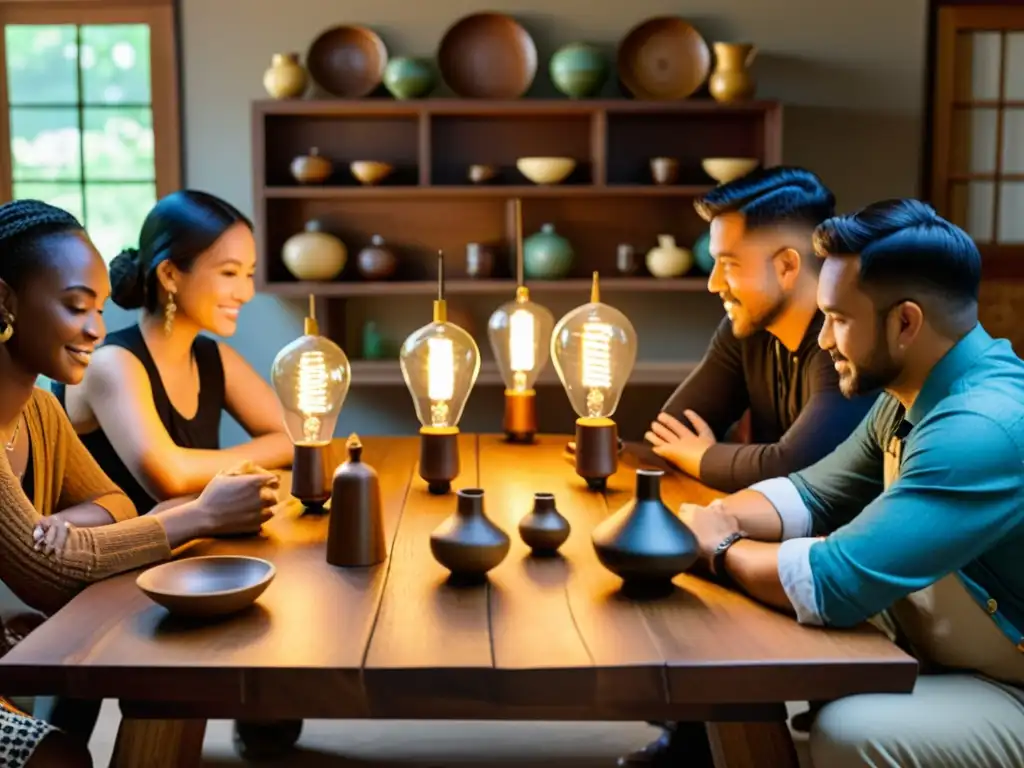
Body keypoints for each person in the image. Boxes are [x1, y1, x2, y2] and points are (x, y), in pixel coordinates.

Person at [678, 199, 1024, 767]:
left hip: (1010, 686)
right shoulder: (911, 390)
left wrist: (720, 548)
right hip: (953, 658)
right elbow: (814, 493)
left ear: (905, 322)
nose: (823, 341)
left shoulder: (979, 426)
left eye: (838, 318)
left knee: (853, 729)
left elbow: (834, 584)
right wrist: (715, 515)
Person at [0, 199, 279, 766]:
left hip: (52, 619)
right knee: (64, 756)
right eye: (77, 306)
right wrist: (198, 516)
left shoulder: (40, 414)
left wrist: (65, 523)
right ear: (3, 300)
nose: (97, 329)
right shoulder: (113, 365)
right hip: (45, 623)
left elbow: (116, 499)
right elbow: (49, 574)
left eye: (100, 308)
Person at [621, 167, 879, 768]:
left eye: (729, 264)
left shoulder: (842, 338)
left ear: (788, 267)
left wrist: (708, 457)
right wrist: (727, 462)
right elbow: (672, 429)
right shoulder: (747, 329)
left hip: (845, 552)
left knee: (687, 567)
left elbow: (801, 464)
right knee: (668, 549)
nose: (713, 283)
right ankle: (694, 741)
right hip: (774, 523)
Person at [56, 190, 291, 517]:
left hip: (195, 553)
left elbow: (294, 436)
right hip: (120, 561)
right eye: (229, 273)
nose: (246, 292)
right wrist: (253, 467)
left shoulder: (214, 358)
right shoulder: (111, 363)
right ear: (169, 275)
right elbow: (170, 479)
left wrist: (225, 475)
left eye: (249, 274)